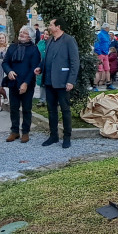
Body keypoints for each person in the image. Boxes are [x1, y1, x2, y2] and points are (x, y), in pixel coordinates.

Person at [36, 18, 80, 149]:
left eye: (51, 25)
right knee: (51, 110)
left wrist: (71, 80)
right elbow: (46, 59)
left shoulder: (69, 40)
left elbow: (75, 62)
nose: (49, 26)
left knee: (65, 110)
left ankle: (67, 137)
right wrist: (40, 67)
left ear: (58, 27)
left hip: (63, 82)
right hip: (49, 81)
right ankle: (53, 135)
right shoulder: (49, 40)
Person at [2, 26, 42, 143]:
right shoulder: (13, 47)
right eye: (20, 32)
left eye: (24, 33)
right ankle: (14, 131)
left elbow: (33, 68)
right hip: (13, 82)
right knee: (13, 108)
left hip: (27, 83)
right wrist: (9, 71)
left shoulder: (34, 50)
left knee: (26, 108)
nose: (21, 34)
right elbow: (5, 62)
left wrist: (25, 83)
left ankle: (25, 131)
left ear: (30, 37)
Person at [93, 23, 113, 92]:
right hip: (101, 54)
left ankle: (108, 83)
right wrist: (99, 52)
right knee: (99, 70)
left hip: (105, 54)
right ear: (106, 28)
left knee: (107, 69)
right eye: (108, 28)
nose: (109, 29)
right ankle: (94, 85)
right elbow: (96, 44)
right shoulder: (100, 35)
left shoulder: (106, 35)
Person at [35, 29, 49, 107]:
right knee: (41, 83)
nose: (46, 35)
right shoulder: (40, 43)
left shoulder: (52, 43)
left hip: (49, 66)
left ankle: (49, 100)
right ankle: (42, 99)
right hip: (41, 65)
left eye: (47, 34)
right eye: (45, 34)